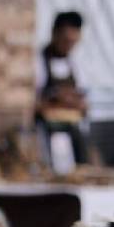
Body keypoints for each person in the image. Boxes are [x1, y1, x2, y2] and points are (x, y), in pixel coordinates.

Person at [36, 11, 89, 170]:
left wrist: (80, 103)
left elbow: (83, 95)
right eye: (66, 41)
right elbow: (34, 99)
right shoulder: (38, 60)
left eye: (73, 42)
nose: (69, 46)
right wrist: (56, 98)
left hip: (73, 130)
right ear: (54, 34)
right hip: (45, 130)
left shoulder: (76, 63)